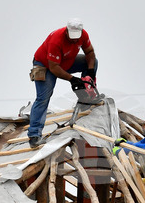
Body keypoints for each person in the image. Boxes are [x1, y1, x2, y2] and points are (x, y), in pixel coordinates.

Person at [28, 19, 98, 147]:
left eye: (77, 38)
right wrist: (72, 79)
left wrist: (90, 73)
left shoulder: (83, 35)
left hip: (66, 61)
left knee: (92, 62)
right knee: (43, 98)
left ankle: (86, 96)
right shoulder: (56, 40)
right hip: (45, 65)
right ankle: (34, 135)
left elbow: (89, 52)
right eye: (72, 38)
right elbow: (54, 68)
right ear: (66, 31)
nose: (75, 41)